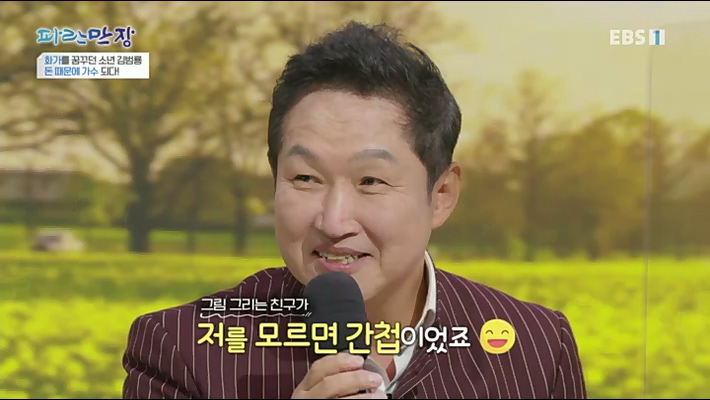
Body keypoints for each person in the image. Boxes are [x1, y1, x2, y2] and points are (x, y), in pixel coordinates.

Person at [121, 20, 587, 399]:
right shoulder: (183, 350)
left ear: (441, 195)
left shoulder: (535, 347)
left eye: (371, 182)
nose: (333, 221)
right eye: (306, 178)